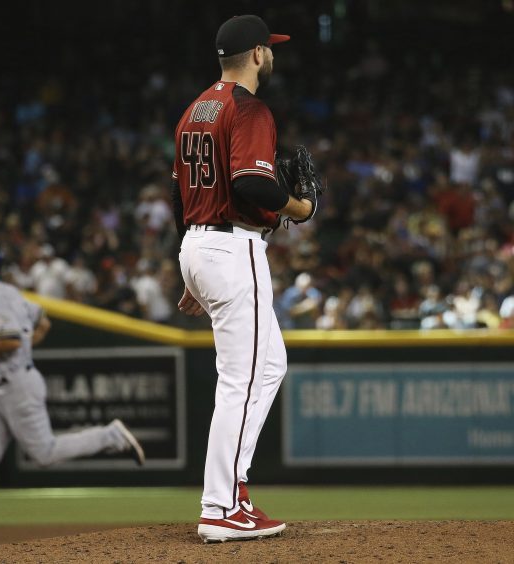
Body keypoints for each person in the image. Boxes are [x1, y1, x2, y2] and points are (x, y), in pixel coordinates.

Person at [170, 15, 317, 543]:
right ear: (256, 54)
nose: (272, 56)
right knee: (238, 379)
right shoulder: (248, 107)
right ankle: (220, 507)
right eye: (269, 49)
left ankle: (234, 484)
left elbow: (179, 190)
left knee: (268, 365)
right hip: (232, 247)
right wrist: (298, 207)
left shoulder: (195, 109)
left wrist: (190, 267)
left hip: (199, 241)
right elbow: (252, 180)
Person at [0, 242, 145, 535]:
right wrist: (22, 348)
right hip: (3, 386)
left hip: (17, 384)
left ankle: (111, 436)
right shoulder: (9, 293)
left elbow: (12, 339)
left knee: (45, 452)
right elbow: (43, 322)